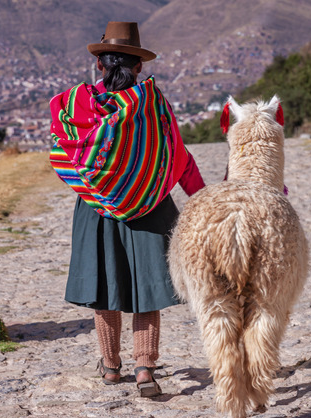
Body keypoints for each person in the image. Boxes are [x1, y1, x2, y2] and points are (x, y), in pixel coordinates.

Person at [48, 21, 205, 397]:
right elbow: (178, 156)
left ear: (100, 65)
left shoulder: (76, 104)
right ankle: (145, 369)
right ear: (138, 67)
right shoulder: (153, 103)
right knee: (147, 290)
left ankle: (110, 367)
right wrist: (200, 198)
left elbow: (62, 150)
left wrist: (100, 184)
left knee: (106, 287)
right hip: (150, 208)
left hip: (96, 209)